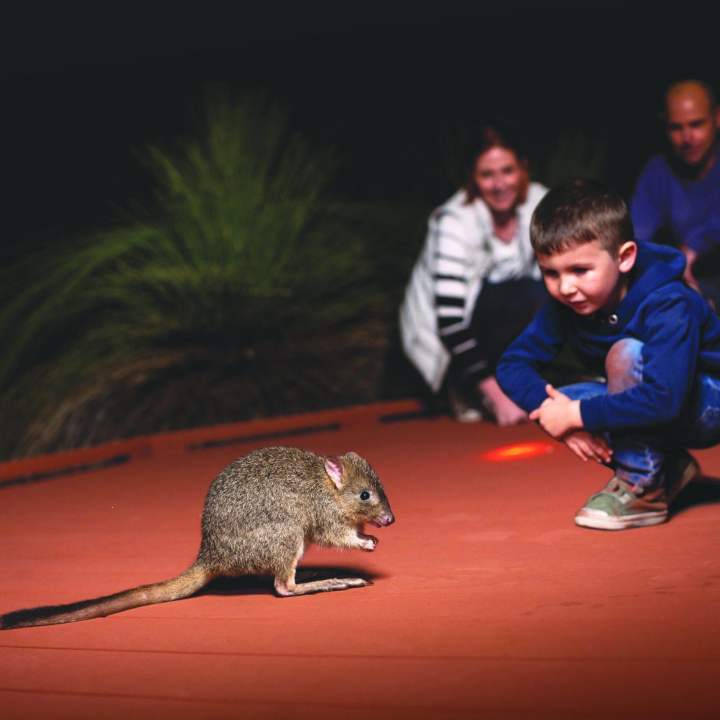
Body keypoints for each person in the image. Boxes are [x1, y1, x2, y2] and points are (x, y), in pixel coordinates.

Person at [496, 179, 720, 530]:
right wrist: (560, 417)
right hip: (662, 405)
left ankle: (642, 487)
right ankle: (671, 467)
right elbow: (513, 365)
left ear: (625, 257)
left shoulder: (669, 302)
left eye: (580, 271)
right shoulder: (569, 302)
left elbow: (665, 399)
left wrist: (577, 415)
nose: (565, 287)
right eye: (550, 273)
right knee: (557, 399)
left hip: (706, 403)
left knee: (625, 354)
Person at [399, 126, 548, 425]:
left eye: (507, 171)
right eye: (486, 175)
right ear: (473, 178)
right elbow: (450, 319)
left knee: (545, 290)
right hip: (447, 343)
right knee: (521, 295)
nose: (499, 184)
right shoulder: (454, 221)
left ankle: (529, 382)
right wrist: (495, 395)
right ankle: (469, 388)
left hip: (502, 323)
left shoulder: (539, 202)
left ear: (523, 169)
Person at [631, 79, 720, 306]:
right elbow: (636, 235)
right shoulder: (658, 170)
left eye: (696, 124)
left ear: (717, 118)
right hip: (689, 282)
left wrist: (692, 249)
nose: (688, 138)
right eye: (676, 128)